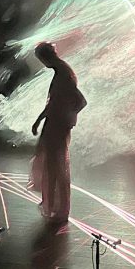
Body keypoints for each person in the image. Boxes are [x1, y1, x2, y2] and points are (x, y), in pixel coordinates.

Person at [29, 42, 86, 223]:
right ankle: (53, 206)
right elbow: (54, 104)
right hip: (55, 125)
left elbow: (80, 101)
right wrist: (40, 119)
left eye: (41, 59)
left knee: (57, 166)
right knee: (53, 165)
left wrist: (67, 119)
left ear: (46, 57)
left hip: (57, 126)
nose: (43, 64)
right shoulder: (61, 71)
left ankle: (59, 209)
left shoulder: (63, 74)